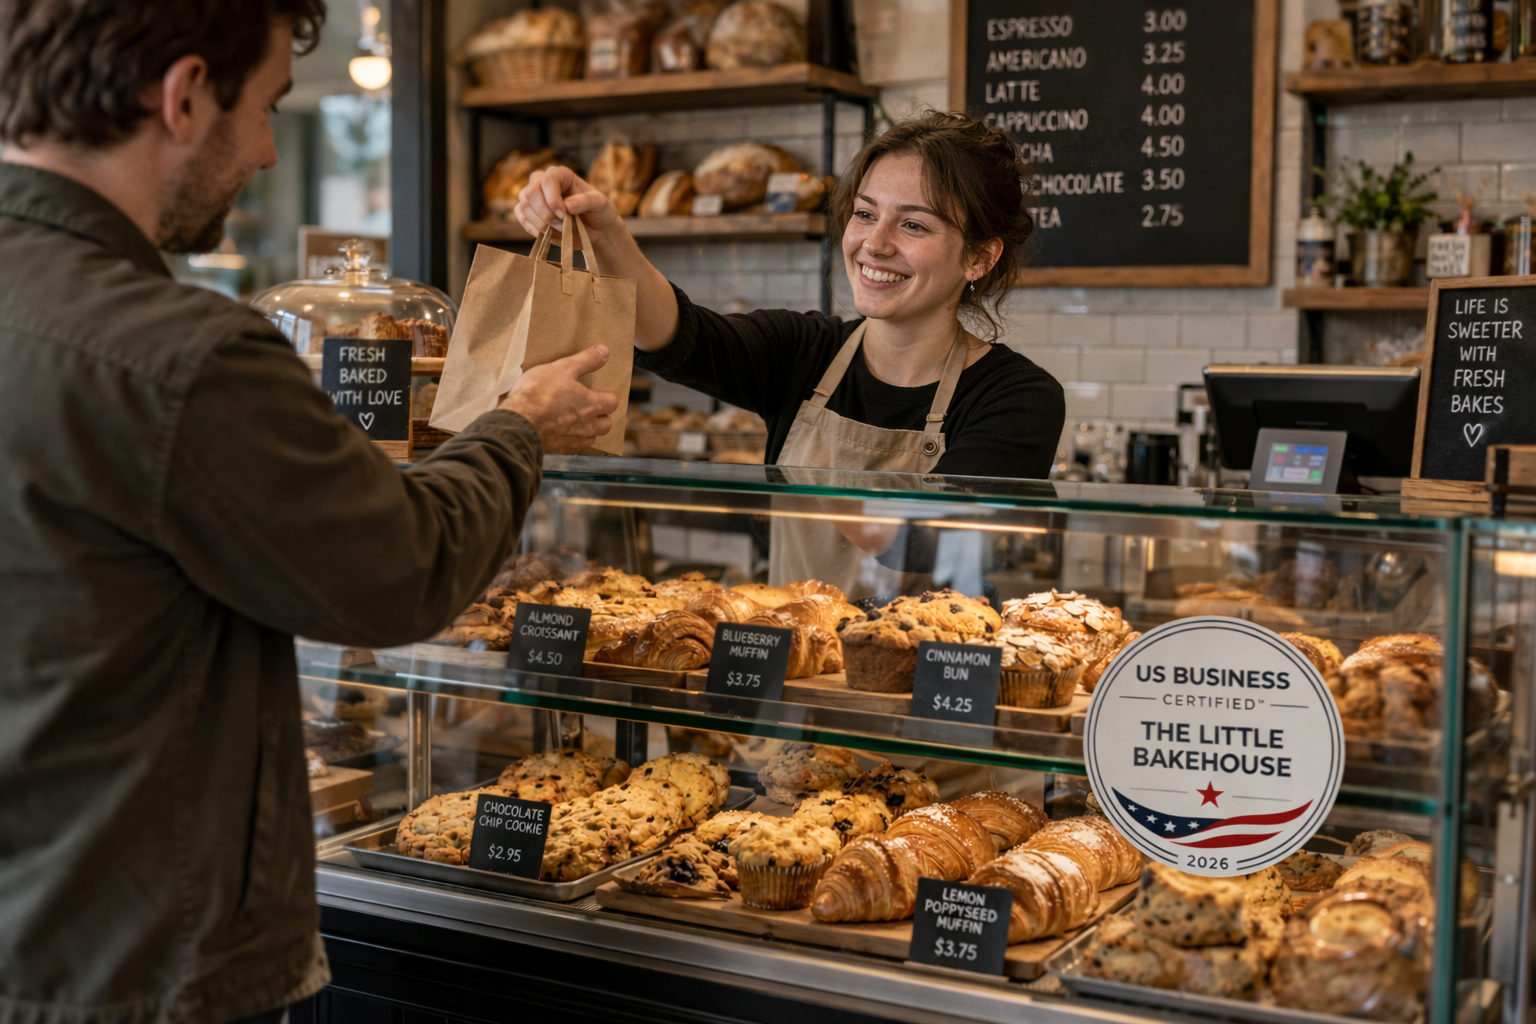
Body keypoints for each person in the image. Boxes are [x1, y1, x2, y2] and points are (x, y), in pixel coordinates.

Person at [0, 2, 616, 1022]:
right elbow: (400, 569)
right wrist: (518, 425)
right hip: (150, 967)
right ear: (185, 93)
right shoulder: (181, 353)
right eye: (270, 104)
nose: (268, 150)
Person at [517, 112, 1064, 594]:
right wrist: (606, 230)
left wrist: (796, 478)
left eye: (914, 224)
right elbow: (682, 337)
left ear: (979, 258)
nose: (874, 244)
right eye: (866, 213)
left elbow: (918, 540)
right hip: (796, 673)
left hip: (925, 691)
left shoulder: (1018, 397)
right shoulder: (806, 351)